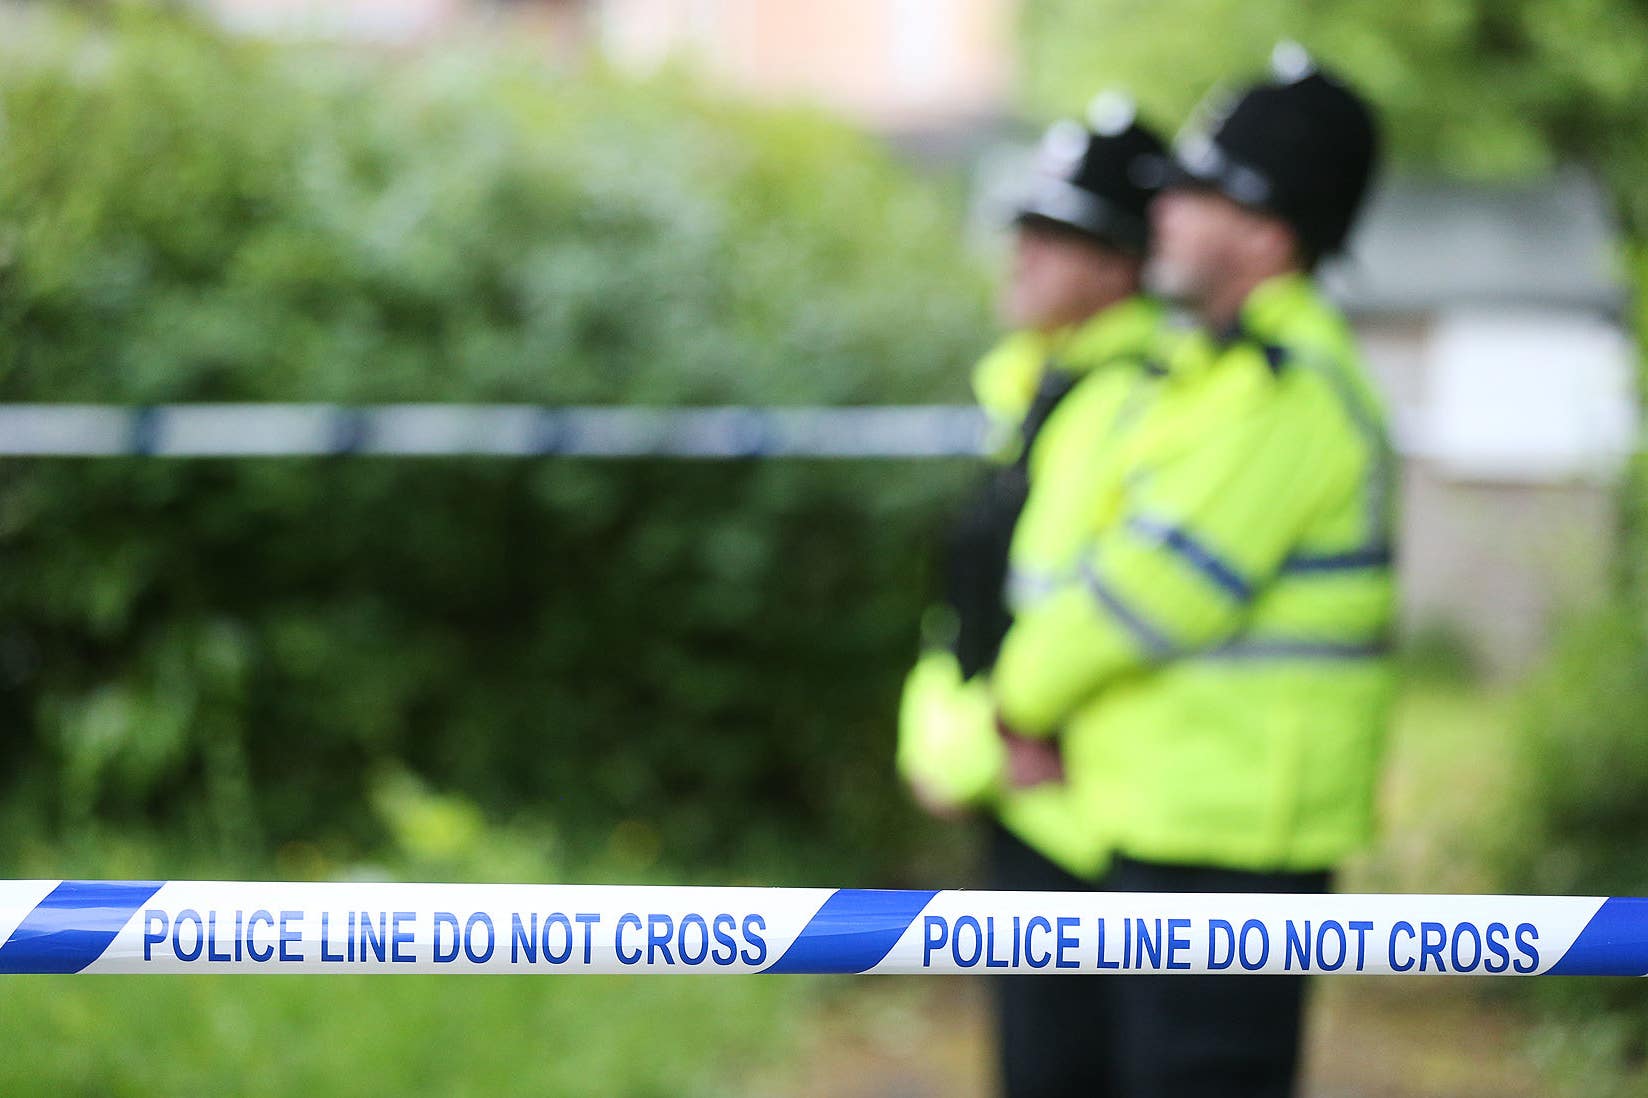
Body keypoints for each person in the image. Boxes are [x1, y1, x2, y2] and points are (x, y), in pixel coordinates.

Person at [987, 45, 1397, 1097]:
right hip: (1168, 827)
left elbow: (1143, 598)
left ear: (1268, 231)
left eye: (1203, 189)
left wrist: (1016, 702)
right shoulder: (1214, 374)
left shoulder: (1283, 393)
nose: (1164, 203)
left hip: (1229, 851)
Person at [896, 95, 1171, 1095]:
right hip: (1020, 808)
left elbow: (1104, 621)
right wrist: (946, 747)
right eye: (1024, 226)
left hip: (1096, 831)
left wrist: (974, 744)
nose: (1023, 253)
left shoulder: (1145, 405)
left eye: (1059, 234)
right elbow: (969, 609)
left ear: (1124, 263)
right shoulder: (1027, 395)